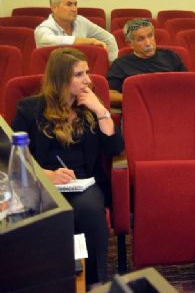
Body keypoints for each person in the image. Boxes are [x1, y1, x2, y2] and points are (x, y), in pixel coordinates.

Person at [11, 48, 123, 287]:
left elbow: (114, 148)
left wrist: (101, 111)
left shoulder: (89, 108)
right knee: (51, 215)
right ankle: (49, 280)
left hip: (84, 182)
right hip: (42, 182)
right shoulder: (30, 109)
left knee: (89, 209)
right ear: (61, 78)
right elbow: (14, 153)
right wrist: (46, 175)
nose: (88, 80)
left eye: (87, 73)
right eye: (79, 75)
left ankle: (94, 283)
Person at [107, 18, 187, 106]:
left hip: (172, 105)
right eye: (141, 39)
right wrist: (139, 98)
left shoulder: (171, 56)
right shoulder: (120, 65)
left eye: (150, 36)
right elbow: (109, 94)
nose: (148, 43)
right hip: (140, 108)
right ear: (130, 43)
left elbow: (187, 84)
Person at [35, 0, 118, 62]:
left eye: (75, 4)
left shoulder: (81, 21)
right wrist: (89, 41)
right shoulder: (43, 29)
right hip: (55, 73)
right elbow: (54, 41)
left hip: (82, 71)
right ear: (54, 8)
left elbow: (109, 39)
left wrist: (112, 65)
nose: (74, 9)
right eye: (69, 4)